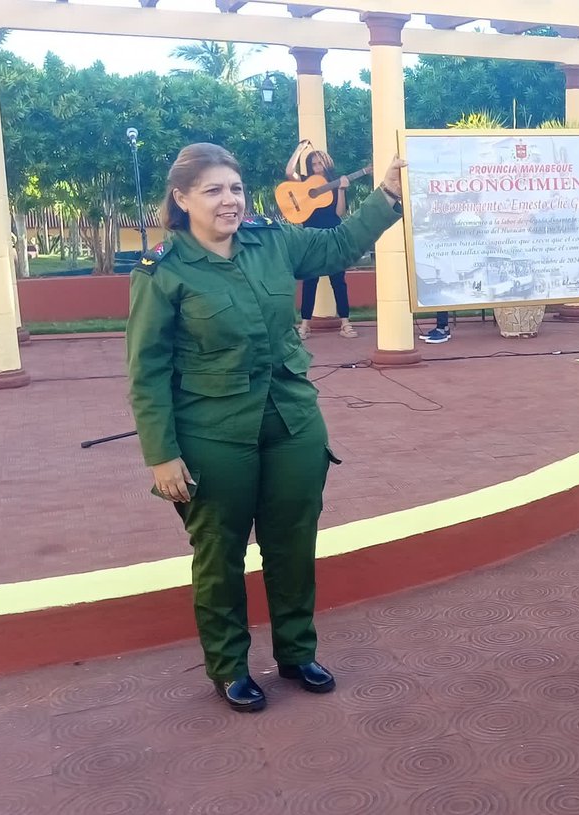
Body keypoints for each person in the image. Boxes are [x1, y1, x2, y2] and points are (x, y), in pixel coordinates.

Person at [127, 143, 405, 711]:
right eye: (212, 190)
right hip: (213, 433)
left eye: (235, 188)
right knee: (219, 553)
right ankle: (229, 665)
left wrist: (389, 196)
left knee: (293, 543)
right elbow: (147, 370)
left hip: (291, 421)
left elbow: (338, 245)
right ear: (182, 199)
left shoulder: (272, 241)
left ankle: (297, 652)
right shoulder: (163, 270)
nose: (229, 200)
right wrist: (161, 454)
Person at [284, 141, 358, 340]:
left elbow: (339, 213)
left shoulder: (335, 183)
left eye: (320, 163)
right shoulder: (305, 183)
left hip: (333, 235)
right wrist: (300, 149)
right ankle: (305, 325)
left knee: (338, 281)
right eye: (313, 164)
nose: (317, 167)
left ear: (327, 163)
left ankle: (345, 323)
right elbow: (289, 171)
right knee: (310, 281)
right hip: (311, 236)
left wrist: (341, 190)